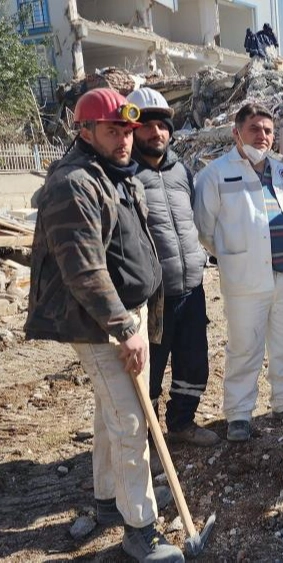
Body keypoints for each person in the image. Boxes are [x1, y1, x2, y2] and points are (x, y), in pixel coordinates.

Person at [25, 88, 183, 561]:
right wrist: (124, 328)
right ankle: (140, 530)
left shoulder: (118, 174)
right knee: (130, 421)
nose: (125, 139)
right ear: (85, 130)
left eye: (128, 131)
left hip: (128, 314)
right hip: (100, 324)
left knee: (109, 412)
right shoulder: (72, 184)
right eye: (113, 130)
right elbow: (83, 270)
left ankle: (110, 498)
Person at [193, 103, 283, 441]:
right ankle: (239, 414)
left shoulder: (282, 172)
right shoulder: (216, 174)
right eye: (254, 129)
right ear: (237, 133)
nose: (262, 136)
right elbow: (204, 229)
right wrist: (236, 256)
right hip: (244, 279)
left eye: (268, 130)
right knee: (244, 348)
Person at [126, 87, 219, 448]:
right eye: (147, 125)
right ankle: (147, 441)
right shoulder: (125, 174)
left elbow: (192, 219)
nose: (156, 132)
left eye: (162, 125)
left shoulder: (181, 171)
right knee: (150, 370)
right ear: (133, 129)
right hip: (154, 297)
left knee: (194, 363)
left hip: (192, 288)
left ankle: (182, 422)